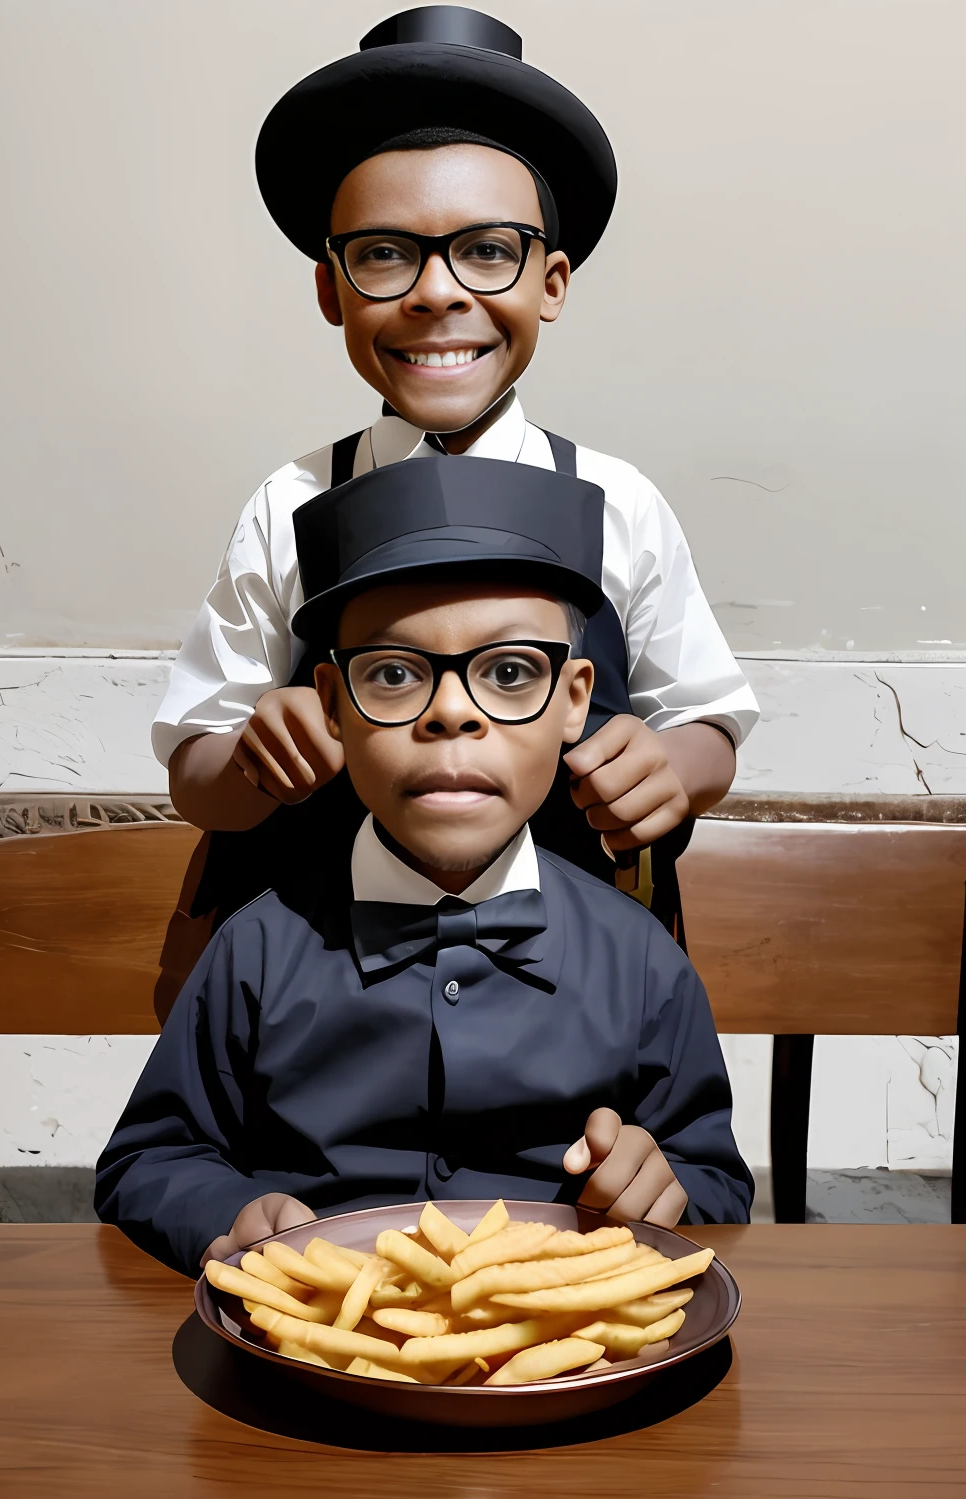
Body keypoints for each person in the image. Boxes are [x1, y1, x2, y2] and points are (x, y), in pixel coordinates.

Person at [153, 5, 759, 973]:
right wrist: (253, 762)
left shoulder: (618, 498)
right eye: (386, 254)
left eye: (485, 250)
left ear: (550, 282)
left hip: (571, 971)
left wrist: (672, 765)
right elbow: (199, 770)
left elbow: (705, 717)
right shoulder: (289, 500)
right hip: (321, 973)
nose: (437, 291)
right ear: (331, 291)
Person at [97, 456, 753, 1277]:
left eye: (510, 673)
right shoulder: (254, 947)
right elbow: (147, 1164)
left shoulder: (643, 958)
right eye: (396, 674)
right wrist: (227, 1214)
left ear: (576, 699)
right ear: (333, 704)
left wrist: (663, 1189)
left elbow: (714, 1183)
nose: (450, 712)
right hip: (297, 1363)